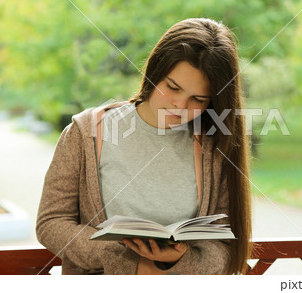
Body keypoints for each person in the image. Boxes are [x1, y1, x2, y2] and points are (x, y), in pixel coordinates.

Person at [36, 18, 252, 275]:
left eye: (198, 99)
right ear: (154, 72)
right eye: (172, 87)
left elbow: (225, 247)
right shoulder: (86, 133)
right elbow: (51, 223)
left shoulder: (212, 145)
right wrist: (125, 260)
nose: (179, 106)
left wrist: (178, 260)